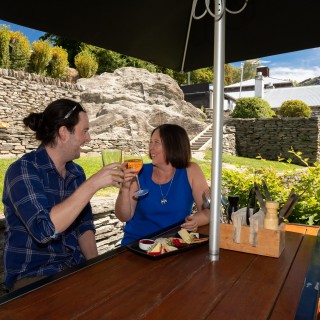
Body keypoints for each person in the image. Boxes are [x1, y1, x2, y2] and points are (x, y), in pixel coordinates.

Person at [2, 98, 123, 291]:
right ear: (64, 132)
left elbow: (84, 227)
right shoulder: (23, 170)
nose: (88, 138)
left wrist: (97, 268)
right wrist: (92, 184)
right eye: (84, 131)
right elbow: (44, 230)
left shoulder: (76, 173)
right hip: (34, 276)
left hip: (74, 268)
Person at [115, 124, 210, 245]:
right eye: (150, 142)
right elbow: (124, 217)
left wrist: (195, 221)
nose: (150, 148)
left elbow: (208, 211)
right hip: (138, 245)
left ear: (173, 145)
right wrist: (125, 187)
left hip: (174, 244)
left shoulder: (191, 170)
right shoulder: (139, 172)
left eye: (156, 142)